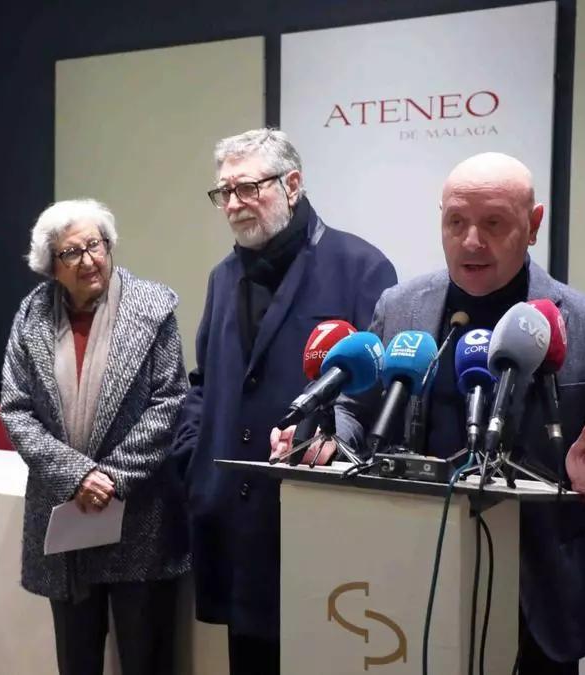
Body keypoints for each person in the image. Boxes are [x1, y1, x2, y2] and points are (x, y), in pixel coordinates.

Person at [324, 152, 585, 672]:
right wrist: (330, 435)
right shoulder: (400, 309)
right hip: (410, 579)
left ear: (532, 227)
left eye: (493, 224)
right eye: (456, 222)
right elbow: (357, 408)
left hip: (539, 599)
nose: (471, 241)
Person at [171, 128, 397, 674]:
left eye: (247, 188)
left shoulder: (360, 267)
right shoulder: (223, 278)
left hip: (316, 520)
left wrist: (336, 440)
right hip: (233, 520)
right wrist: (191, 454)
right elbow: (207, 381)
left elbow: (381, 392)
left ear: (292, 184)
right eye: (223, 192)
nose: (232, 204)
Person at [0, 199, 190, 675]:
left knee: (146, 655)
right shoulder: (30, 316)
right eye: (72, 253)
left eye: (96, 245)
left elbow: (171, 402)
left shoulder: (153, 306)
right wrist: (77, 475)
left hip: (139, 513)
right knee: (76, 657)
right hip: (68, 515)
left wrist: (111, 477)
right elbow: (16, 409)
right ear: (51, 265)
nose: (89, 260)